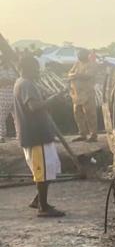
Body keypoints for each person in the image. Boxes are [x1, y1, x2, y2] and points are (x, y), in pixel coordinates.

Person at [14, 55, 65, 217]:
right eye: (35, 67)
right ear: (28, 68)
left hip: (39, 134)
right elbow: (33, 106)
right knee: (43, 171)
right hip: (36, 135)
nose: (38, 70)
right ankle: (43, 207)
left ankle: (39, 200)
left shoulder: (22, 83)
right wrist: (53, 99)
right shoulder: (26, 84)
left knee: (49, 168)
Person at [67, 48, 99, 142]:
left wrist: (76, 75)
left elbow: (88, 76)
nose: (79, 56)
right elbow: (69, 74)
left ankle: (93, 135)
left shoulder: (92, 64)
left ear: (86, 55)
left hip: (87, 93)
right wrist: (76, 75)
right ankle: (83, 133)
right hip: (76, 94)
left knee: (90, 115)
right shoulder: (77, 63)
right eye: (78, 55)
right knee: (78, 114)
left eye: (80, 55)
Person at [0, 55, 17, 142]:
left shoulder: (12, 68)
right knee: (2, 117)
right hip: (5, 96)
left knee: (16, 117)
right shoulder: (9, 69)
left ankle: (19, 135)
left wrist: (7, 81)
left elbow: (17, 80)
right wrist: (10, 81)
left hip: (11, 96)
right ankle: (2, 136)